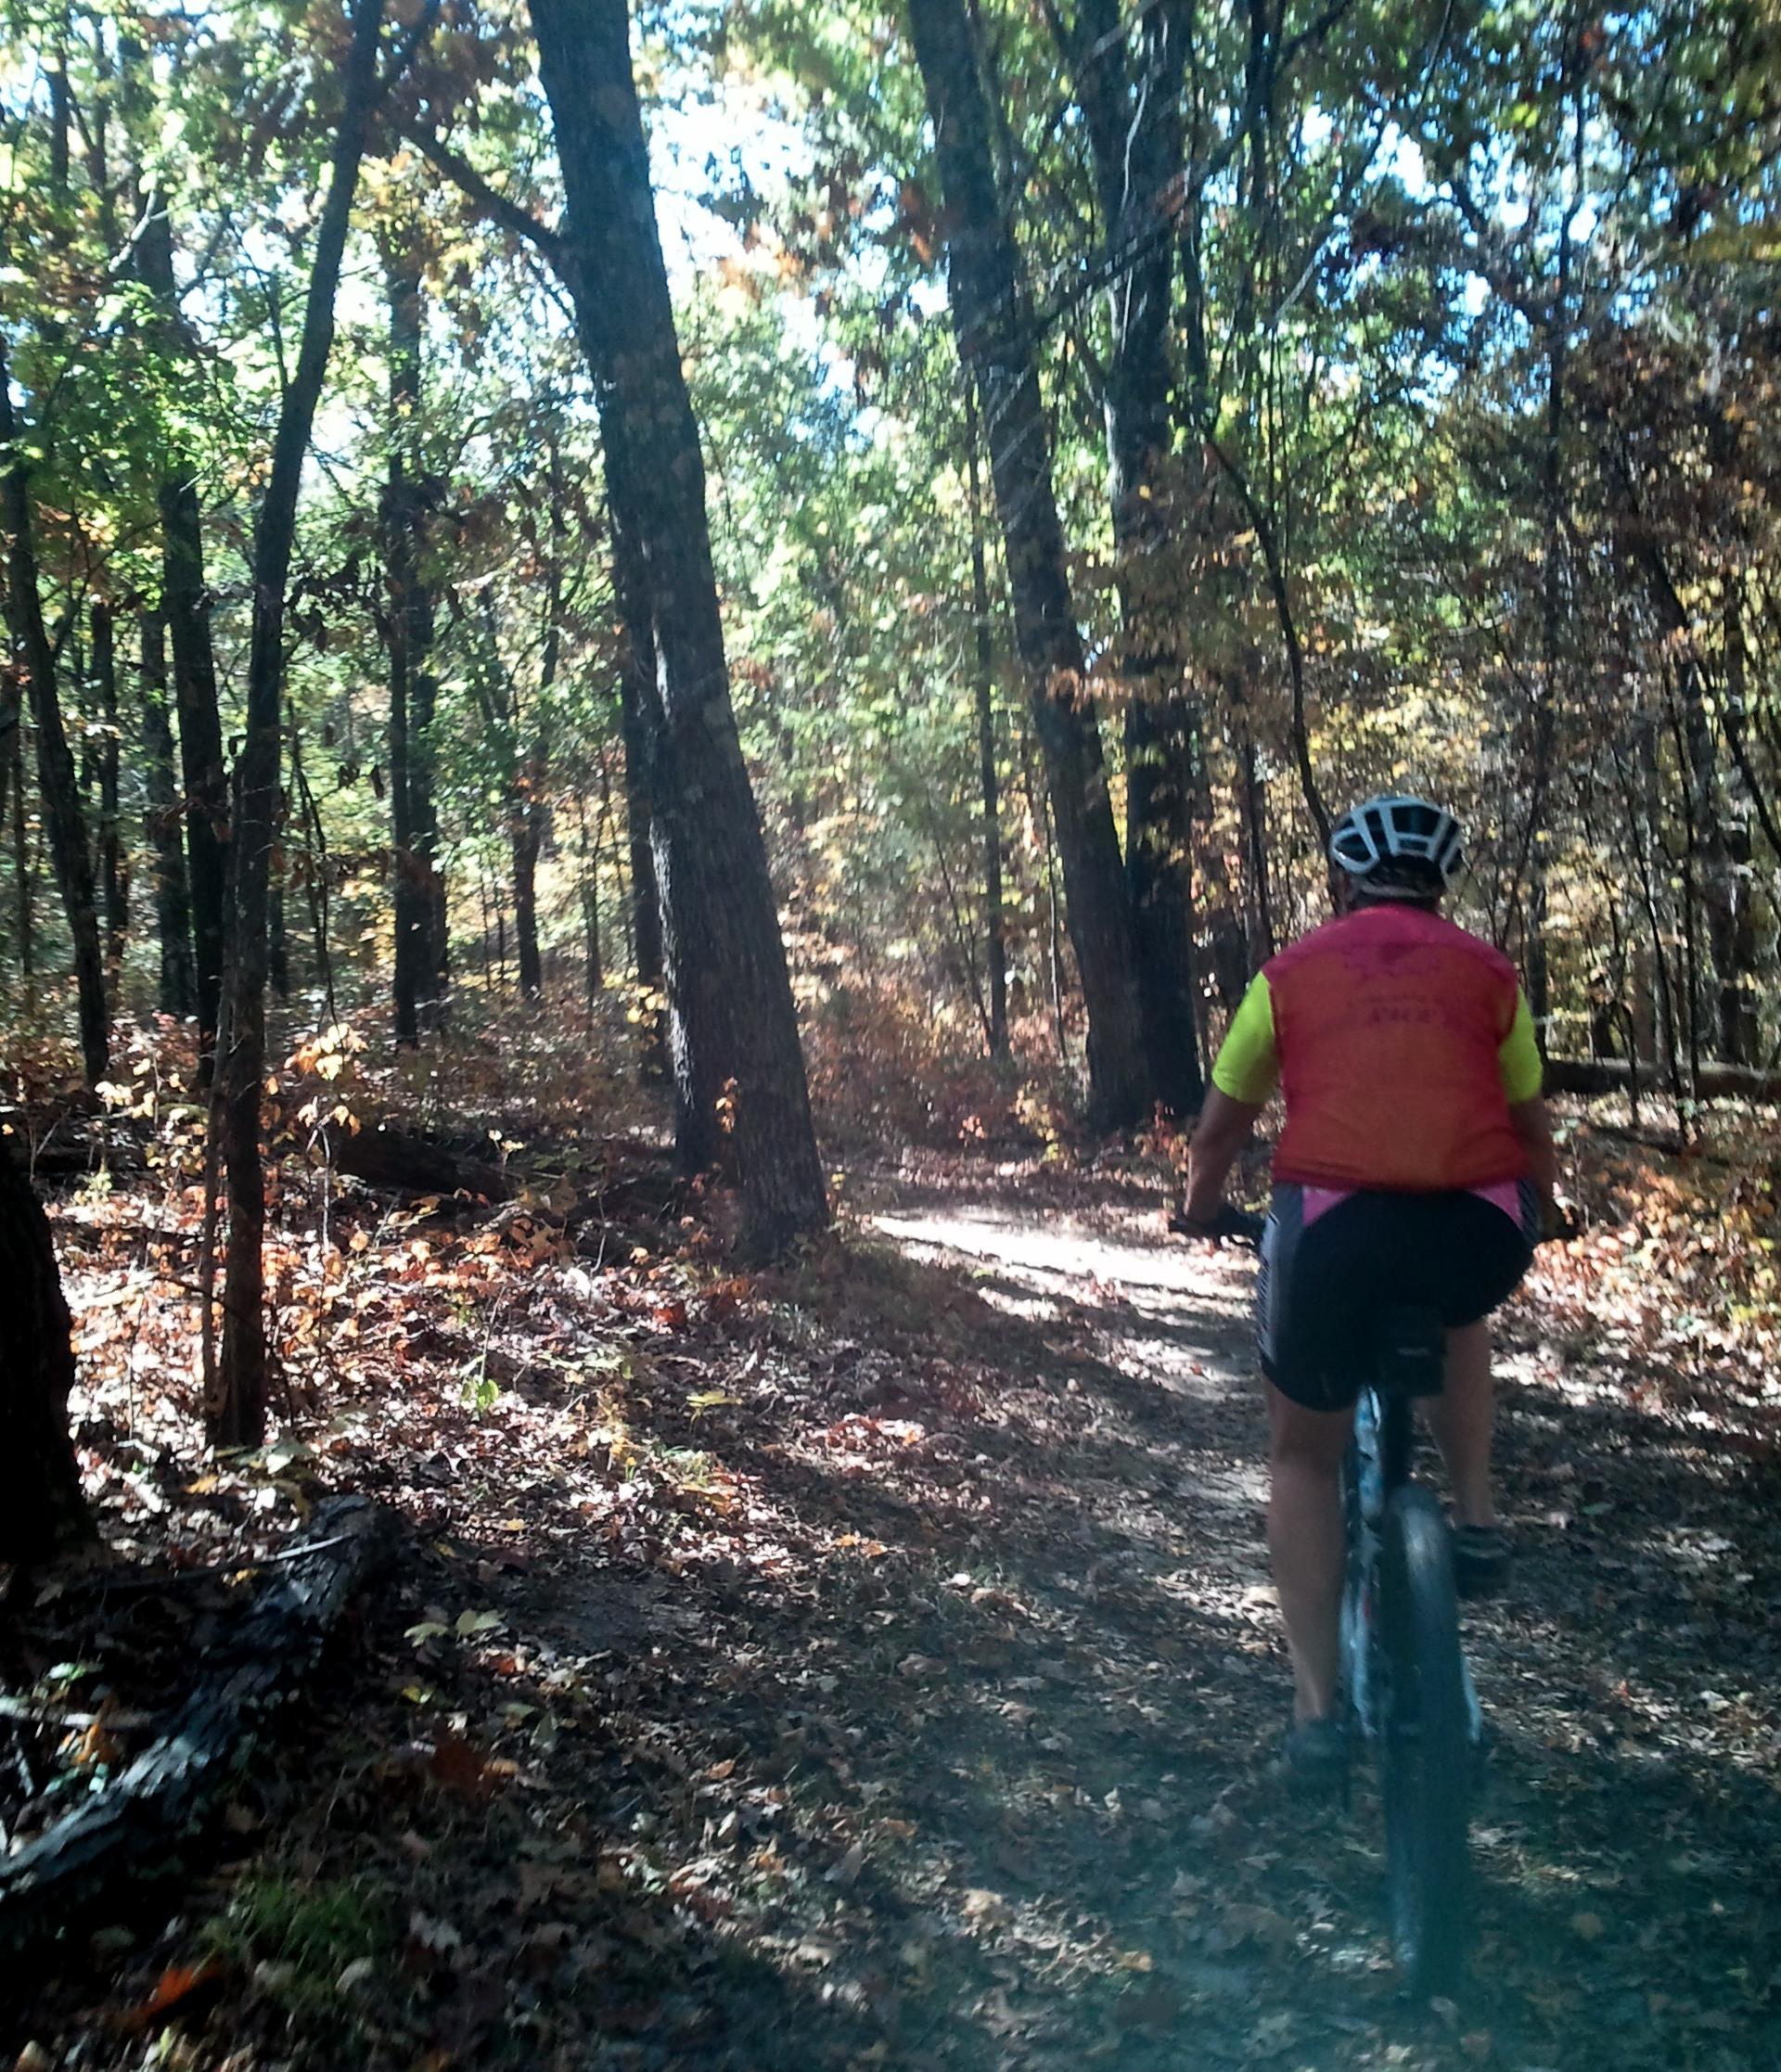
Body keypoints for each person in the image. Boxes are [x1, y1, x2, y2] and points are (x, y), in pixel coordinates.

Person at [1176, 795, 1557, 1789]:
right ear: (1440, 887)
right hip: (1473, 1230)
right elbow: (1530, 1125)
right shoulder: (1491, 976)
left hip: (1334, 1235)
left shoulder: (1288, 977)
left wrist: (1200, 1207)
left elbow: (1220, 1130)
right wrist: (1543, 1210)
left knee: (1305, 1452)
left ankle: (1315, 1716)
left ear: (1342, 883)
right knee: (1459, 1304)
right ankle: (1473, 1518)